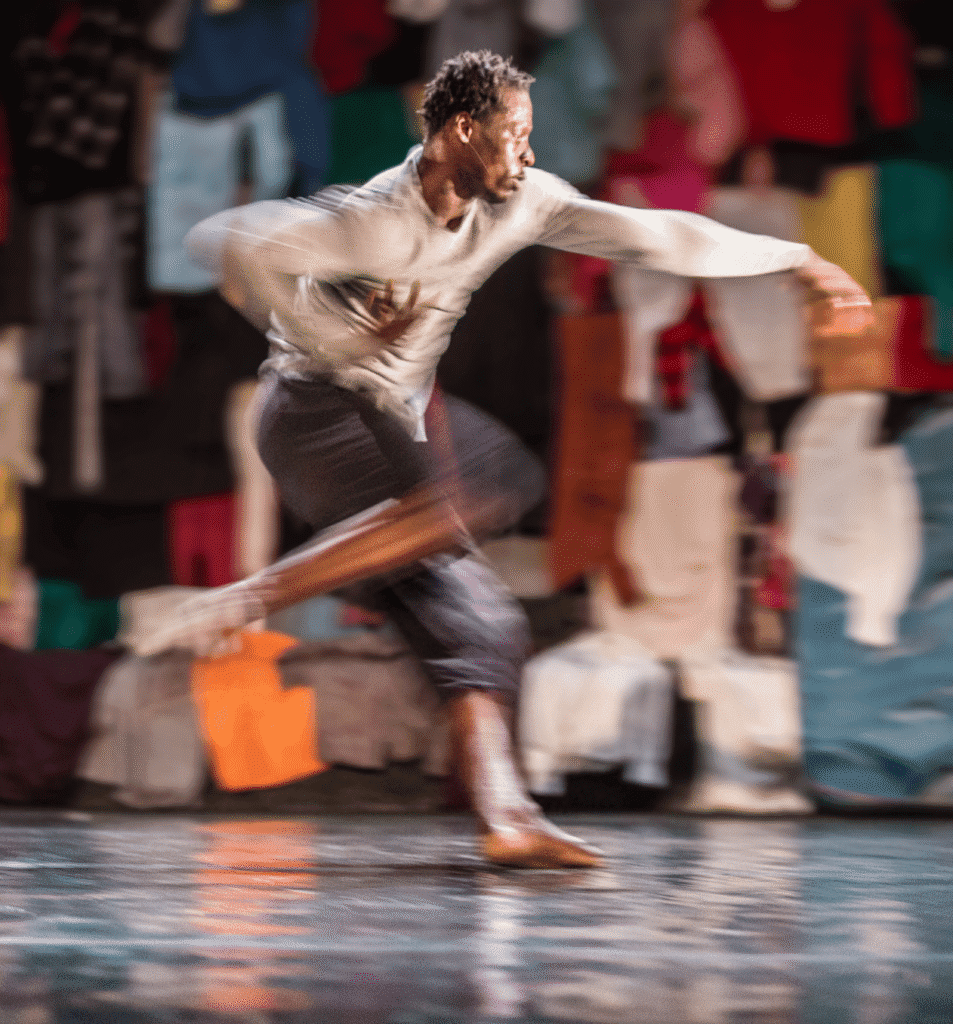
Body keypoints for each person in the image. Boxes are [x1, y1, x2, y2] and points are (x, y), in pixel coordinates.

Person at [137, 50, 872, 869]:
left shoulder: (522, 201)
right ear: (462, 131)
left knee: (482, 621)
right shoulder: (371, 221)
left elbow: (655, 236)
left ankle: (508, 817)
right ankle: (248, 597)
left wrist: (796, 260)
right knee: (486, 482)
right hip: (314, 414)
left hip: (394, 424)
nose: (527, 152)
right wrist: (333, 336)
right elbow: (222, 237)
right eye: (514, 134)